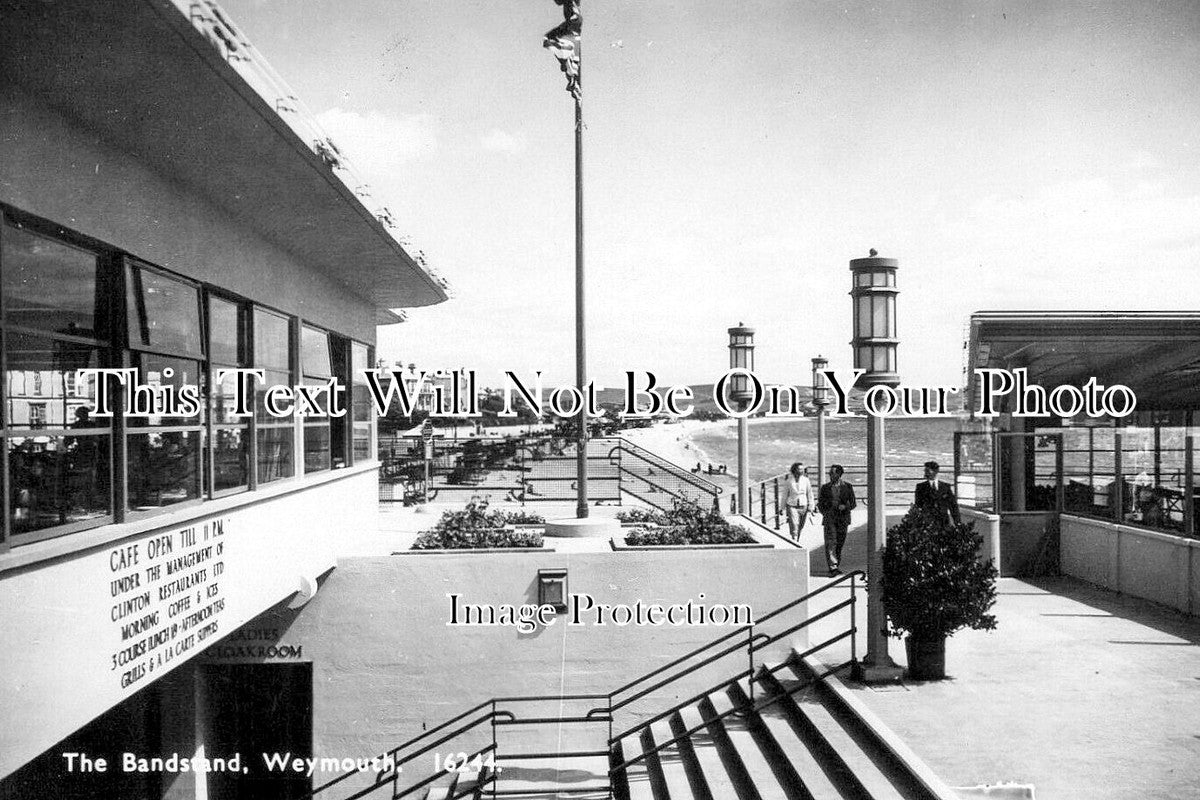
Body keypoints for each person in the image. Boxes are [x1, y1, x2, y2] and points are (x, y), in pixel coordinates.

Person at [817, 464, 856, 576]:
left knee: (840, 543)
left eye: (832, 473)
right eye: (829, 473)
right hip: (830, 519)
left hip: (843, 519)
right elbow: (820, 504)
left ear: (839, 474)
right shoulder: (825, 488)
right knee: (831, 542)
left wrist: (845, 507)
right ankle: (833, 567)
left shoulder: (848, 487)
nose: (830, 475)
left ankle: (836, 564)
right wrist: (825, 513)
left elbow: (853, 503)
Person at [913, 460, 961, 528]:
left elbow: (953, 507)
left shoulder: (946, 487)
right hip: (927, 524)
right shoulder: (920, 487)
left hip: (943, 523)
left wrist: (958, 523)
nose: (925, 473)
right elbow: (918, 506)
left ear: (935, 471)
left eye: (928, 471)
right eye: (925, 471)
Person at [782, 462, 813, 541]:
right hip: (792, 505)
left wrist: (811, 506)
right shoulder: (789, 481)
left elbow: (809, 493)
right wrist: (782, 508)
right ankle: (794, 538)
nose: (801, 471)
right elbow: (784, 495)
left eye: (802, 469)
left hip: (803, 505)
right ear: (795, 470)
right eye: (799, 469)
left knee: (800, 526)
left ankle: (797, 540)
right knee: (794, 524)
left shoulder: (806, 480)